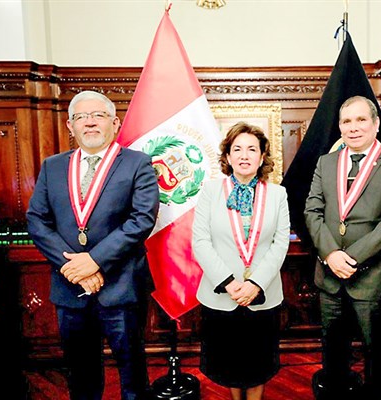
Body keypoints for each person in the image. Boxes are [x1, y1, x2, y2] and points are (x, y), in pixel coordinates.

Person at [26, 90, 160, 400]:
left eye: (97, 115)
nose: (89, 122)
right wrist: (75, 267)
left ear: (114, 123)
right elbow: (37, 221)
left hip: (122, 287)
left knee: (132, 379)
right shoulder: (53, 166)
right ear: (70, 126)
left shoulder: (138, 163)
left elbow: (141, 220)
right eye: (81, 117)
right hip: (70, 287)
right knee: (81, 379)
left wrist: (95, 261)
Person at [304, 95, 381, 399]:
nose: (353, 128)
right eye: (346, 121)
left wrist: (349, 258)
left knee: (376, 356)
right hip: (329, 279)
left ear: (376, 124)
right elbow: (311, 211)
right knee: (333, 357)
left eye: (361, 119)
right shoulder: (326, 162)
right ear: (339, 126)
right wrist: (330, 254)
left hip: (371, 278)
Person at [192, 122, 290, 400]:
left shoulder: (277, 194)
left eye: (252, 149)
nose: (244, 155)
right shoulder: (210, 191)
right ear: (227, 156)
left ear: (262, 157)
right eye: (237, 149)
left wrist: (255, 283)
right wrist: (230, 283)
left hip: (263, 294)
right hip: (222, 294)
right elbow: (201, 241)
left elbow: (280, 243)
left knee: (259, 362)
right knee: (229, 362)